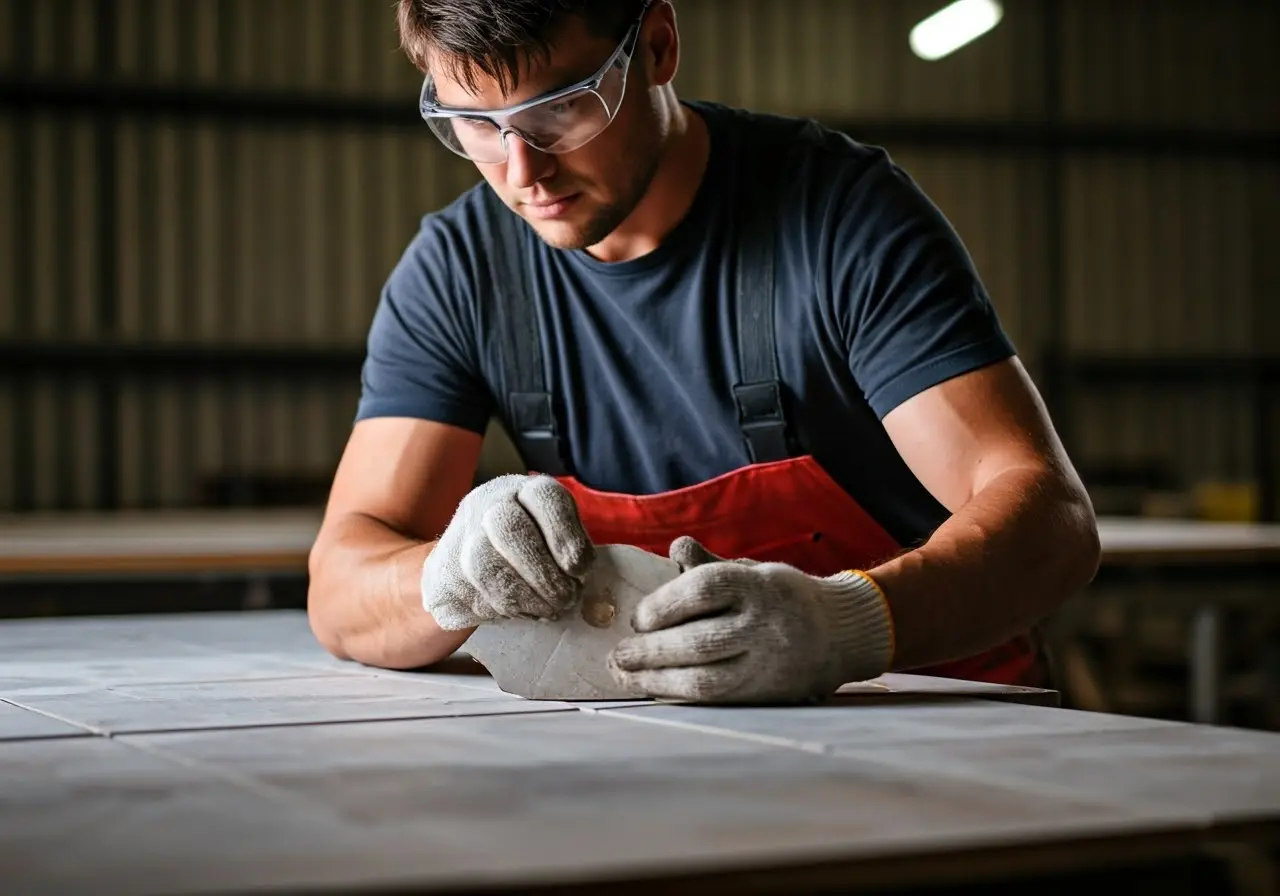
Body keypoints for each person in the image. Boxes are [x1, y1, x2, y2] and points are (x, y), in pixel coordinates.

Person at [306, 0, 1101, 704]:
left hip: (933, 725)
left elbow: (1050, 520)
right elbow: (342, 586)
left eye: (562, 110)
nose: (523, 172)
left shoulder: (841, 220)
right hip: (672, 749)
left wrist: (847, 623)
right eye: (474, 123)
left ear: (655, 45)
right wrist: (444, 581)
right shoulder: (462, 271)